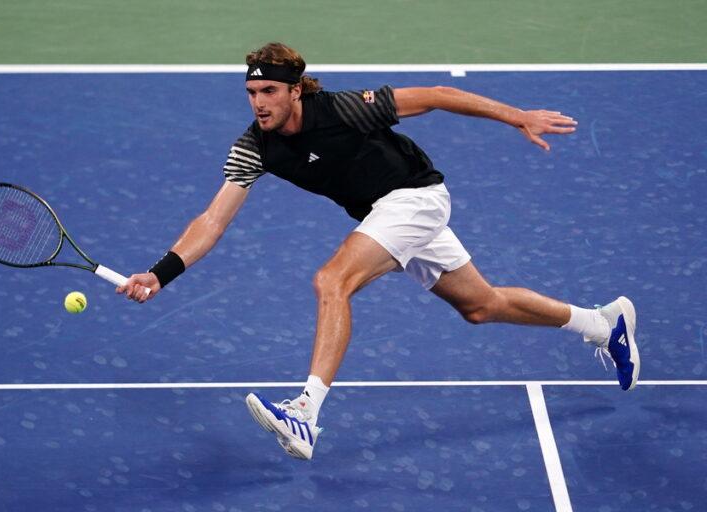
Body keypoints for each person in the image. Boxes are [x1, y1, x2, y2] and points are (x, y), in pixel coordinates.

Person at [118, 42, 640, 460]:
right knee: (482, 305)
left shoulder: (342, 109)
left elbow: (436, 94)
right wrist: (161, 273)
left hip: (416, 198)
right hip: (385, 215)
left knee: (332, 280)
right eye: (252, 92)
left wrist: (516, 115)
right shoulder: (254, 145)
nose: (259, 102)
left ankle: (305, 412)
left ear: (295, 90)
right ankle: (602, 323)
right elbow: (212, 220)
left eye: (270, 91)